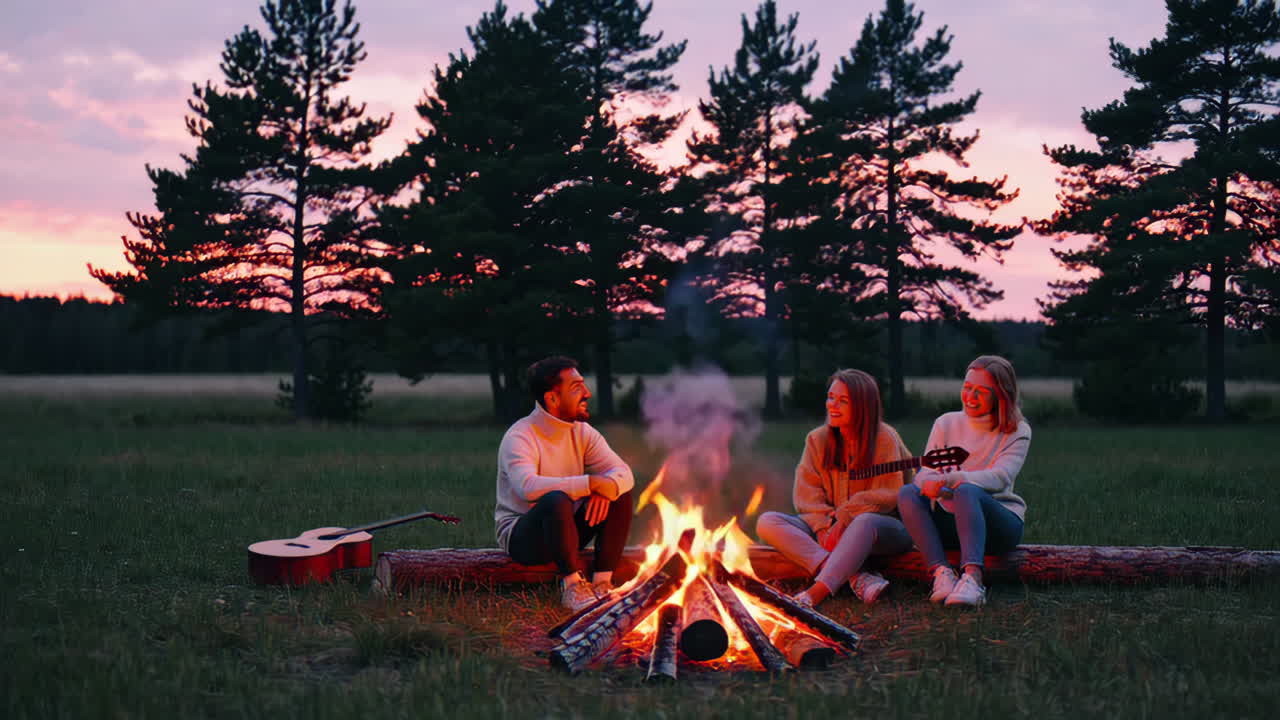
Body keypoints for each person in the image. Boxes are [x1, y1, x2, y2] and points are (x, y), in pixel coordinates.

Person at [756, 369, 914, 607]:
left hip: (883, 530)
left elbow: (889, 495)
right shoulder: (817, 439)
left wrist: (845, 517)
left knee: (864, 522)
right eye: (831, 398)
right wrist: (823, 527)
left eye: (843, 401)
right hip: (828, 528)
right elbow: (806, 496)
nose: (833, 405)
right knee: (767, 521)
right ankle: (855, 576)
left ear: (863, 406)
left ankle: (814, 594)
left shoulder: (884, 438)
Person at [495, 356, 635, 612]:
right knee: (556, 498)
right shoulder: (520, 436)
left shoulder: (582, 431)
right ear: (552, 399)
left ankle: (602, 583)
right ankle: (572, 587)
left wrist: (605, 490)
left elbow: (624, 473)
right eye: (577, 387)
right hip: (524, 538)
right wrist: (592, 483)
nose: (588, 393)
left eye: (584, 385)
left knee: (619, 493)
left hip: (566, 531)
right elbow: (528, 488)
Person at [897, 355, 1031, 607]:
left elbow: (1001, 477)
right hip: (952, 523)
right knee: (908, 493)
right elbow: (926, 471)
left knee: (967, 491)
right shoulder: (946, 423)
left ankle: (973, 579)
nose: (970, 396)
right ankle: (941, 574)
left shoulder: (1017, 430)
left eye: (981, 391)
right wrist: (928, 481)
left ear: (1001, 394)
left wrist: (953, 479)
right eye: (967, 388)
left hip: (998, 525)